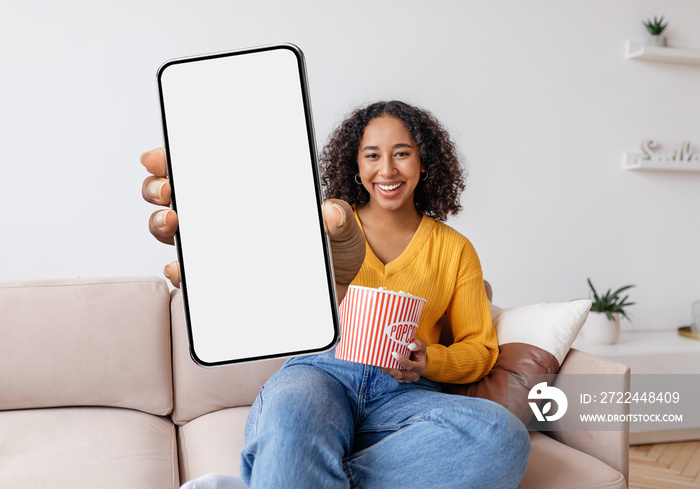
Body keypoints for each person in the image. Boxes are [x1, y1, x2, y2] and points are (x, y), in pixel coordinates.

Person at [141, 100, 530, 488]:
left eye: (402, 154)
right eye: (372, 155)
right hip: (319, 374)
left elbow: (480, 350)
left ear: (424, 163)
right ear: (357, 168)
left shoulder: (455, 249)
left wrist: (428, 361)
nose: (388, 169)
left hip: (402, 395)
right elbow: (267, 286)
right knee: (293, 418)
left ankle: (283, 476)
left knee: (501, 436)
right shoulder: (324, 226)